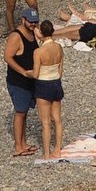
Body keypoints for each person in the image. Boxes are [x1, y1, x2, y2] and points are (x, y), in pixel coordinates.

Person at [4, 9, 40, 156]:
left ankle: (24, 143)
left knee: (24, 112)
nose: (33, 24)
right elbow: (7, 57)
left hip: (30, 80)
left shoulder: (32, 33)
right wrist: (23, 72)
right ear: (23, 20)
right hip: (18, 82)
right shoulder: (16, 36)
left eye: (35, 21)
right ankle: (19, 146)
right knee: (20, 112)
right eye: (30, 22)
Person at [32, 20, 65, 159]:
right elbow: (61, 70)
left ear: (41, 33)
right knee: (57, 119)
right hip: (56, 83)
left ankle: (46, 153)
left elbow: (35, 74)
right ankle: (57, 148)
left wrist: (24, 72)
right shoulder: (59, 47)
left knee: (45, 122)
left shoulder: (38, 51)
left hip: (44, 85)